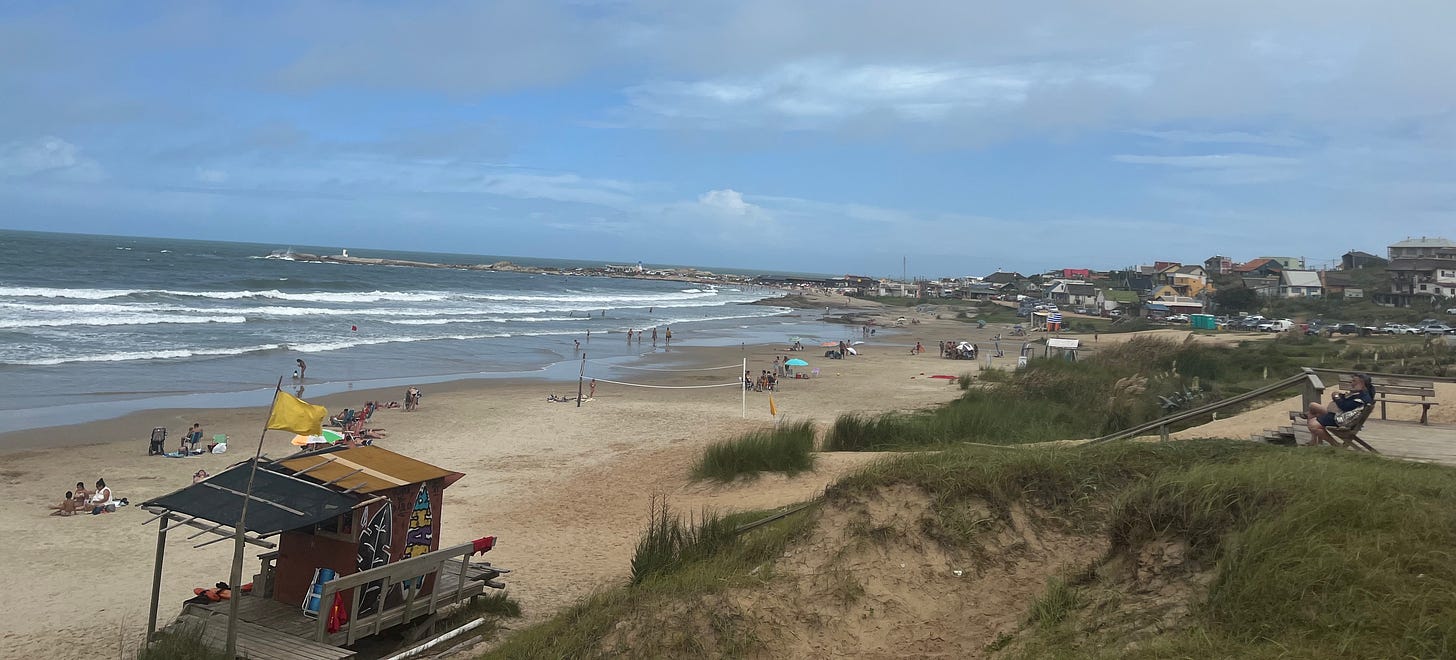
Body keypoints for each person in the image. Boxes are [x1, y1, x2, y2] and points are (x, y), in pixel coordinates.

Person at [1303, 373, 1375, 446]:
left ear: (1362, 383)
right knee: (1313, 406)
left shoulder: (1362, 398)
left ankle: (1335, 445)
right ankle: (1314, 440)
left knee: (1313, 424)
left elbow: (1344, 406)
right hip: (1342, 414)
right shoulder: (1362, 394)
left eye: (1354, 381)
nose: (1351, 383)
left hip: (1341, 419)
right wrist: (1338, 395)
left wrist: (1336, 397)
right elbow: (1346, 402)